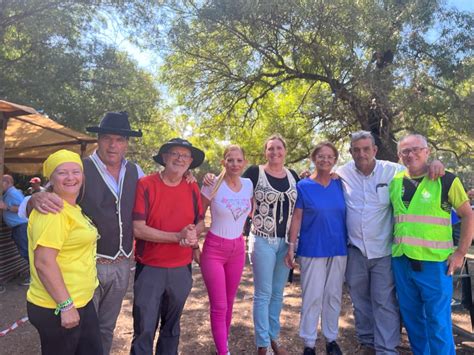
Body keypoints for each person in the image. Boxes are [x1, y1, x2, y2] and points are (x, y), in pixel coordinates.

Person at [20, 111, 143, 355]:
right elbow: (32, 203)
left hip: (121, 264)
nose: (113, 145)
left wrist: (189, 177)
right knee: (81, 330)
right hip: (90, 265)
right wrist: (35, 198)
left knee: (105, 329)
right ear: (98, 139)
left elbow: (158, 189)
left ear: (127, 143)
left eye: (120, 140)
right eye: (107, 138)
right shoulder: (77, 169)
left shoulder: (135, 171)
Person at [336, 130, 444, 355]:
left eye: (366, 149)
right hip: (355, 250)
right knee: (360, 301)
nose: (361, 153)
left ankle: (386, 349)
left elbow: (417, 166)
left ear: (374, 150)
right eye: (356, 150)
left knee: (384, 302)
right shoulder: (343, 173)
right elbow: (323, 176)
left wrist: (435, 162)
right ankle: (366, 343)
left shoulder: (393, 171)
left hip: (384, 251)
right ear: (351, 152)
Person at [390, 134, 474, 355]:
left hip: (435, 265)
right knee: (413, 322)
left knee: (438, 323)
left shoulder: (446, 180)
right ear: (400, 156)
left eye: (416, 149)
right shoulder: (395, 182)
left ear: (427, 151)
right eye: (405, 151)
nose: (411, 154)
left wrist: (460, 253)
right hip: (402, 261)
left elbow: (467, 216)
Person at [131, 138, 205, 355]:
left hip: (181, 269)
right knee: (144, 327)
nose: (180, 159)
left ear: (190, 161)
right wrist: (177, 237)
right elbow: (138, 229)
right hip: (150, 267)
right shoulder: (145, 184)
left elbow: (200, 221)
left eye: (185, 155)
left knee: (172, 327)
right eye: (175, 153)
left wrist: (193, 233)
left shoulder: (192, 188)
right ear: (164, 157)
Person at [26, 149, 102, 355]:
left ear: (83, 176)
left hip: (80, 301)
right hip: (57, 306)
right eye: (62, 172)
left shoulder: (72, 207)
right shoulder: (53, 211)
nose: (70, 177)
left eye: (76, 171)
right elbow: (44, 262)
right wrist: (66, 306)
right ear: (50, 178)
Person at [285, 142, 346, 355]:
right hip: (312, 248)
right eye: (321, 156)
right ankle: (309, 343)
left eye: (330, 157)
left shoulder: (341, 184)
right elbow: (297, 217)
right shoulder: (303, 185)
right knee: (312, 296)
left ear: (335, 160)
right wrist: (291, 247)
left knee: (333, 296)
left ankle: (331, 339)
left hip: (338, 248)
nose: (325, 160)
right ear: (314, 158)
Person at [245, 134, 298, 355]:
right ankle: (262, 344)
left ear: (285, 151)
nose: (275, 152)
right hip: (263, 240)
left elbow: (298, 211)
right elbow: (232, 183)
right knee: (263, 293)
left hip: (285, 243)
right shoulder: (254, 173)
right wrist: (209, 178)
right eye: (270, 149)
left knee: (278, 293)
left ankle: (274, 337)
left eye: (279, 148)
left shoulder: (293, 175)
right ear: (265, 152)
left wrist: (293, 244)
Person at [200, 145, 253, 355]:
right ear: (223, 162)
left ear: (244, 162)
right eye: (230, 160)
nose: (235, 164)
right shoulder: (212, 184)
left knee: (230, 303)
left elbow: (251, 211)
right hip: (214, 249)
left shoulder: (248, 184)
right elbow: (197, 214)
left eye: (239, 160)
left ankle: (223, 344)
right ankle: (224, 352)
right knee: (219, 305)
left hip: (237, 249)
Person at [0, 175, 29, 266]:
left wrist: (6, 207)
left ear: (7, 182)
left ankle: (36, 274)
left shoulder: (13, 193)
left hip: (21, 226)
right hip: (18, 227)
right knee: (25, 251)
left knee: (26, 251)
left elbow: (24, 208)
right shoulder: (7, 193)